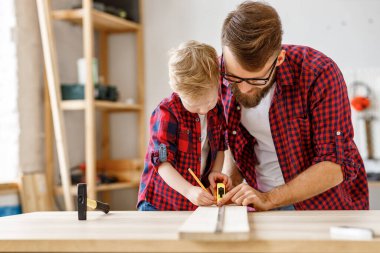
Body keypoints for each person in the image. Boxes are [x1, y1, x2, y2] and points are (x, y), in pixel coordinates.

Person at [217, 1, 368, 211]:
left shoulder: (319, 74)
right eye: (234, 78)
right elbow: (237, 141)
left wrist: (270, 198)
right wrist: (229, 180)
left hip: (320, 208)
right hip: (260, 202)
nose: (243, 89)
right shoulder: (219, 72)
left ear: (279, 59)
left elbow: (334, 166)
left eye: (255, 80)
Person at [137, 40, 232, 211]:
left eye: (209, 101)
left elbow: (219, 148)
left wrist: (214, 173)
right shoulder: (167, 113)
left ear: (217, 83)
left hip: (191, 203)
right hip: (159, 202)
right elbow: (162, 164)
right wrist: (188, 190)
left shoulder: (217, 109)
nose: (203, 110)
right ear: (177, 90)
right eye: (194, 105)